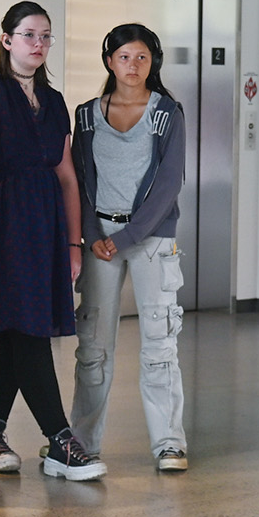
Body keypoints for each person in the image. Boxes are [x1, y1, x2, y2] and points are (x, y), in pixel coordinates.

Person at [0, 2, 103, 481]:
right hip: (0, 224)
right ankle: (59, 439)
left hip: (43, 227)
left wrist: (73, 243)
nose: (38, 44)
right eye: (28, 35)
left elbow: (66, 175)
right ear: (6, 40)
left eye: (45, 36)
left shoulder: (54, 100)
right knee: (29, 331)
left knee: (17, 329)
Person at [69, 24, 190, 472]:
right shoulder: (85, 115)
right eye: (124, 57)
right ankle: (82, 441)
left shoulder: (166, 113)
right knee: (93, 346)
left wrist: (124, 238)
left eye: (142, 58)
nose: (133, 66)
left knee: (160, 342)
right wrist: (90, 235)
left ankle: (169, 444)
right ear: (109, 62)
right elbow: (79, 181)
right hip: (99, 239)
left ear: (152, 62)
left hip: (151, 240)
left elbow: (169, 183)